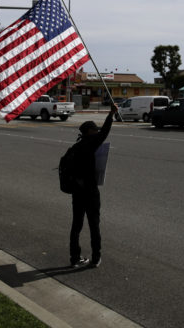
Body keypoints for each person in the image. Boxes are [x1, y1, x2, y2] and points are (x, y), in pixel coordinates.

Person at [69, 102, 118, 268]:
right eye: (94, 129)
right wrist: (110, 114)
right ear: (89, 131)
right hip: (90, 192)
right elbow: (104, 132)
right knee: (94, 225)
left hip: (77, 193)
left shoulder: (76, 147)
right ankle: (96, 258)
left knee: (76, 225)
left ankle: (74, 258)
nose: (97, 131)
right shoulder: (90, 144)